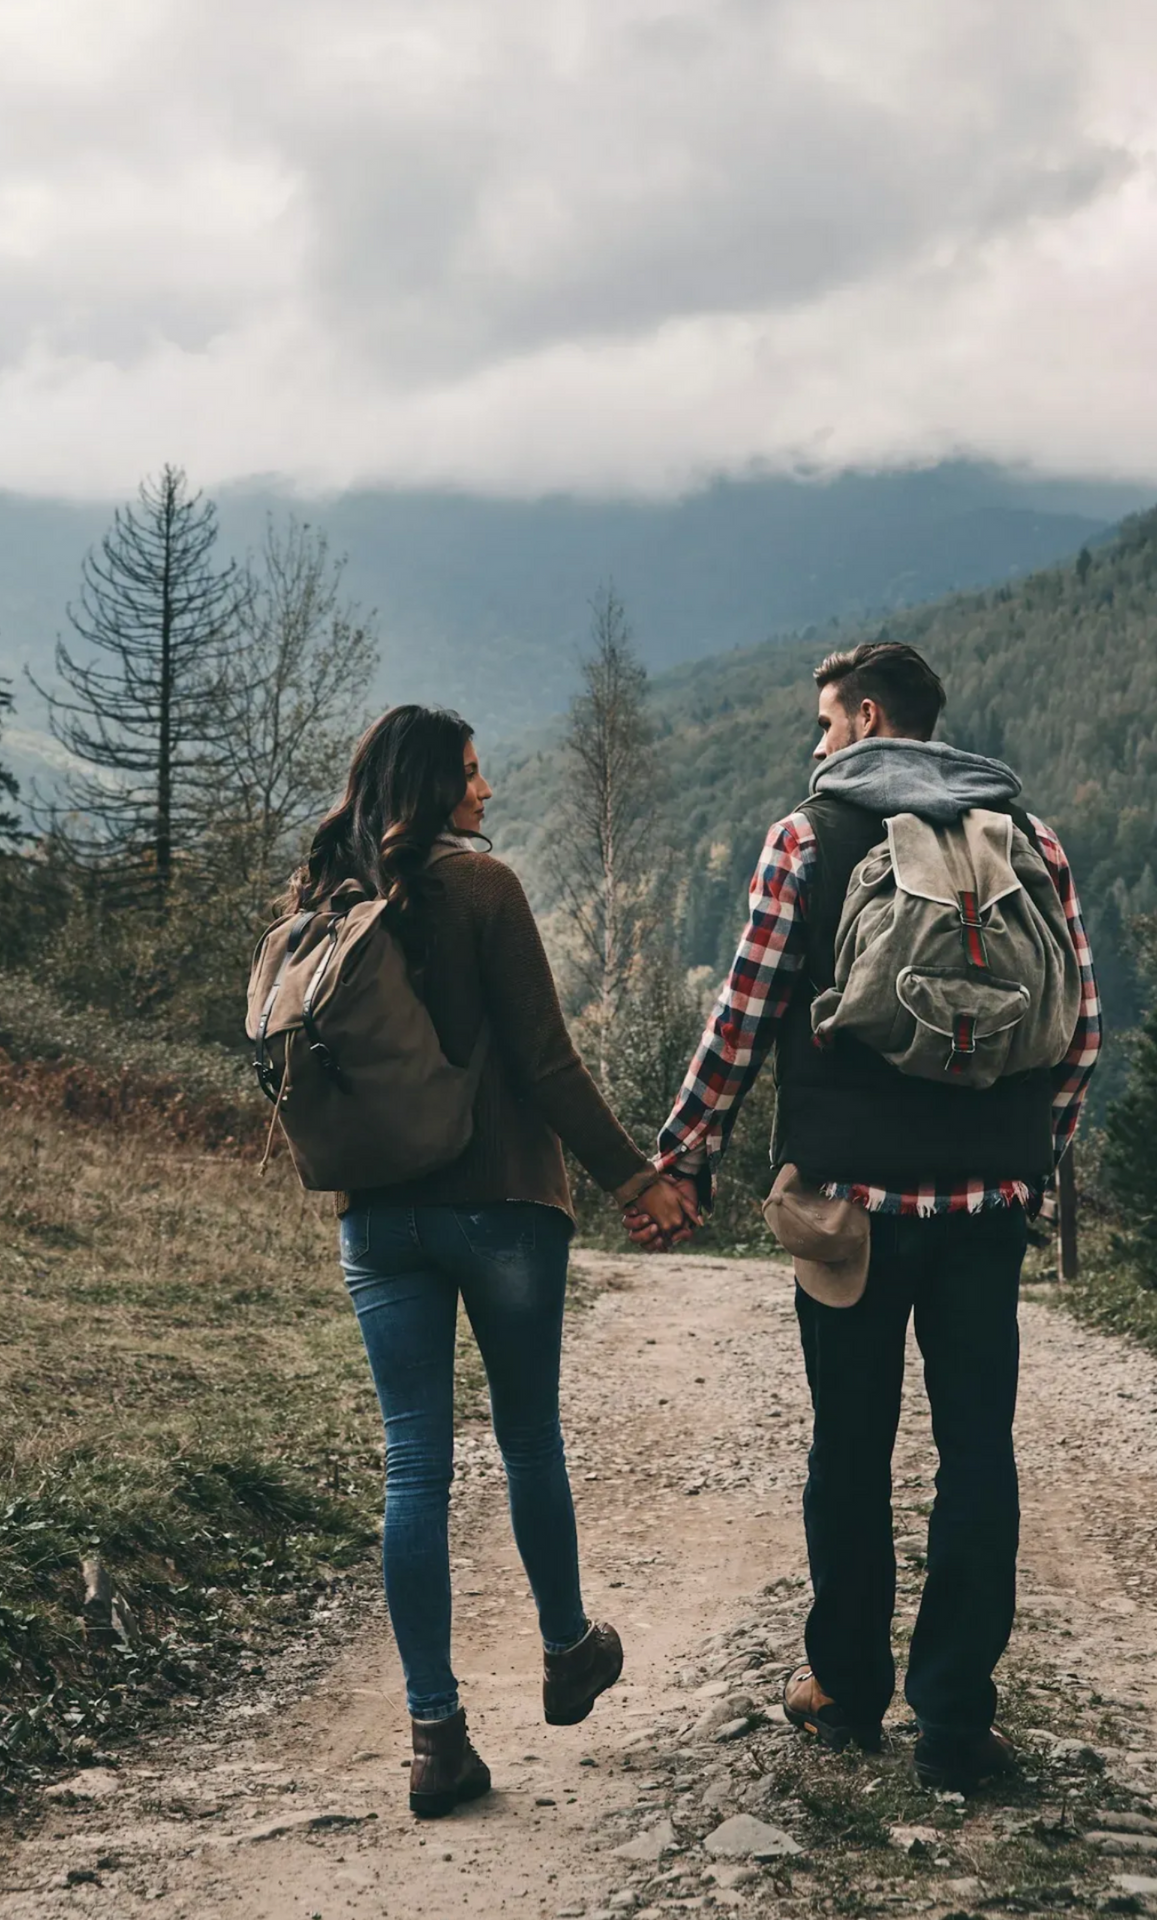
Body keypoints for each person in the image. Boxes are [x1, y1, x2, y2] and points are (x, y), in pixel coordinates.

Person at [626, 642, 1100, 1792]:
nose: (816, 742)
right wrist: (1029, 1166)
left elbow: (743, 1015)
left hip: (850, 1207)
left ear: (870, 716)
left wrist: (684, 1156)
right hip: (987, 1204)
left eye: (824, 720)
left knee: (851, 1446)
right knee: (977, 1454)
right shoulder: (1027, 840)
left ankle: (843, 1691)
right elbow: (1078, 1029)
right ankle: (954, 1721)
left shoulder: (809, 836)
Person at [296, 705, 697, 1818]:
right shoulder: (485, 888)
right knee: (526, 1437)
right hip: (503, 1208)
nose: (487, 793)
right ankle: (568, 1649)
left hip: (379, 1222)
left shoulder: (329, 899)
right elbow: (550, 1065)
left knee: (414, 1467)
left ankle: (436, 1740)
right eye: (472, 776)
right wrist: (639, 1182)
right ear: (433, 789)